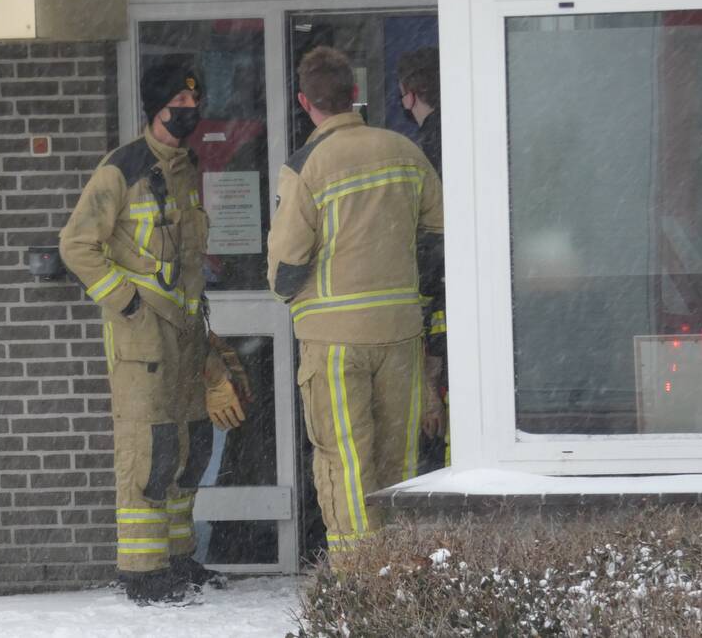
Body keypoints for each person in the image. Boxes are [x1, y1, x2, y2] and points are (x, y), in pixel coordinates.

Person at [60, 59, 244, 604]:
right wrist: (126, 302)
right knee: (151, 453)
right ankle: (142, 572)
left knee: (188, 448)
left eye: (194, 108)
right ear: (155, 109)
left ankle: (179, 560)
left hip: (186, 335)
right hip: (142, 342)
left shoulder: (186, 168)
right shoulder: (122, 170)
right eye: (177, 109)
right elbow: (76, 245)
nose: (188, 116)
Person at [267, 46, 444, 562]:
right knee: (398, 459)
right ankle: (396, 580)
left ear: (304, 102)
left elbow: (283, 272)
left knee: (344, 460)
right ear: (356, 95)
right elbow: (437, 236)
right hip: (400, 335)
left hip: (334, 342)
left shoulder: (305, 167)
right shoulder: (406, 151)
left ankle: (356, 581)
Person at [397, 46, 449, 472]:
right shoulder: (463, 135)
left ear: (409, 93)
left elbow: (427, 240)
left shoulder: (421, 153)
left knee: (435, 434)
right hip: (458, 304)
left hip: (435, 304)